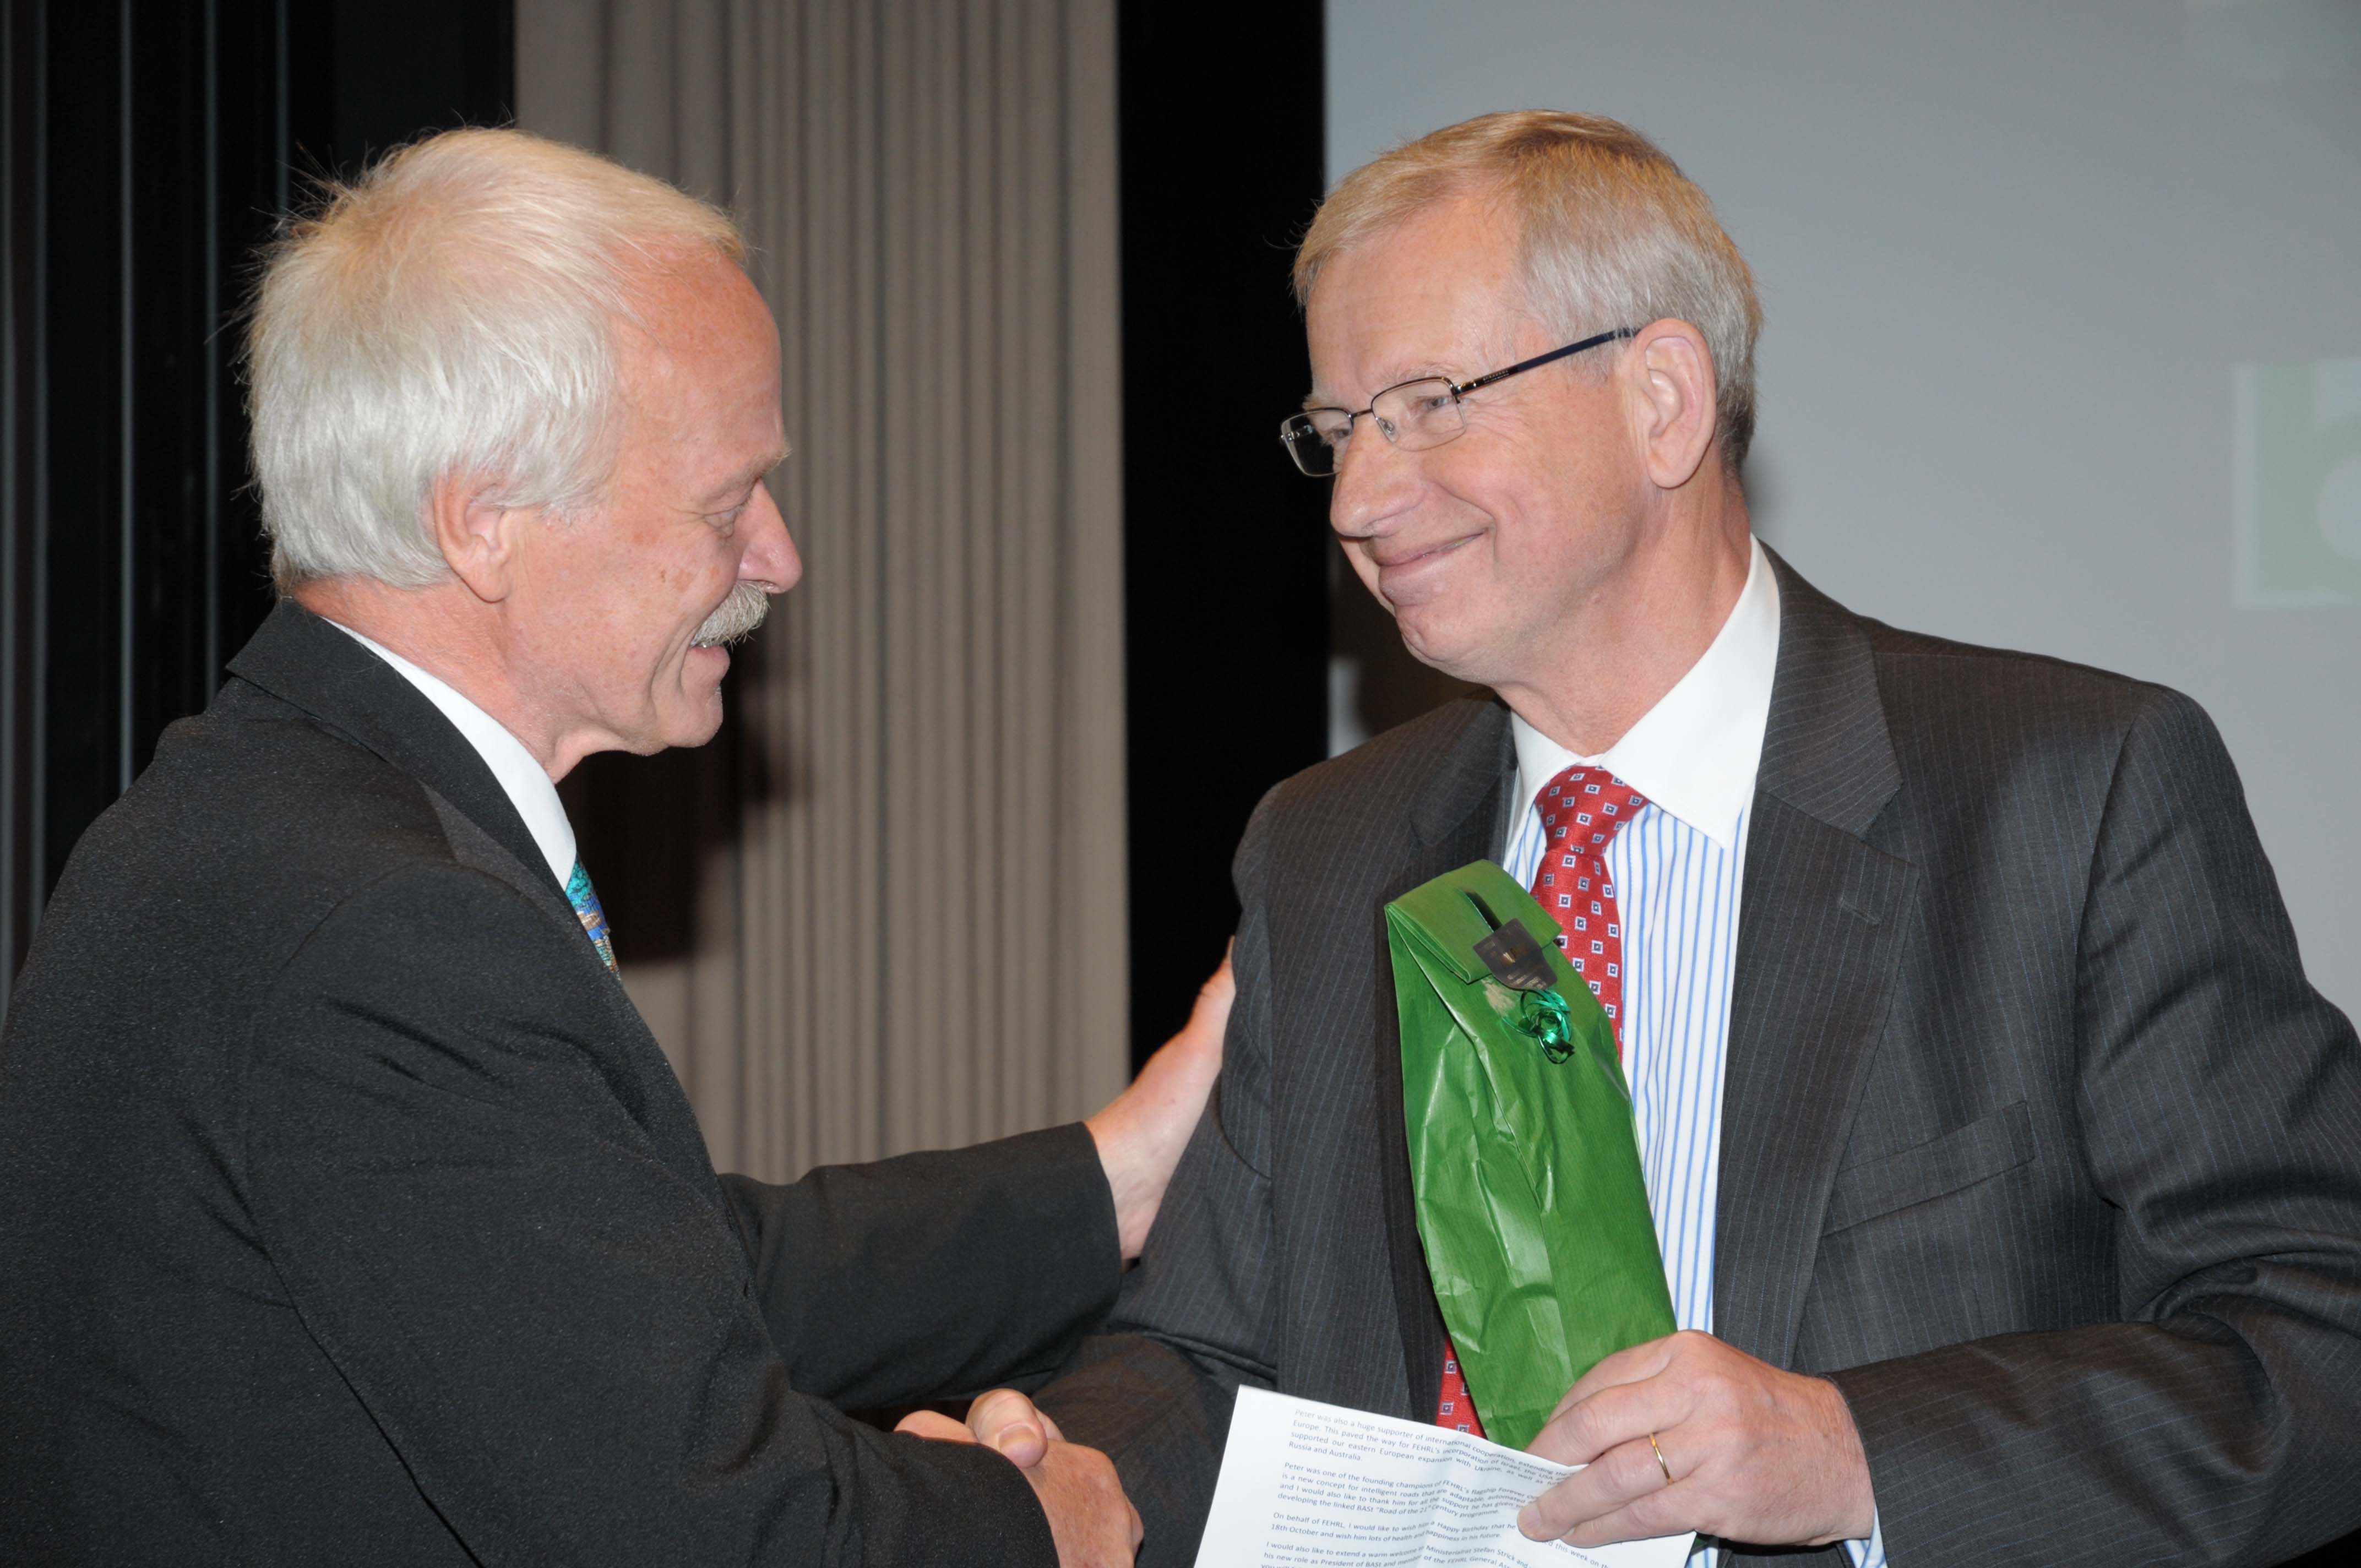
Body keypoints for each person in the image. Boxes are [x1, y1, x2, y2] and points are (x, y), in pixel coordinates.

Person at [1027, 111, 2361, 1566]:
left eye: (1425, 404)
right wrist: (1039, 1478)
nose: (1359, 501)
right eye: (1340, 431)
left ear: (1663, 399)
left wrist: (1859, 1457)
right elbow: (1208, 1351)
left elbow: (2320, 1332)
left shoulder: (2069, 791)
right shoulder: (1329, 847)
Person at [0, 128, 1227, 1568]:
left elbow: (642, 1280)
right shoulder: (380, 928)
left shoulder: (258, 820)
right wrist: (1038, 1525)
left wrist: (1114, 1177)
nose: (779, 556)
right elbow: (707, 1523)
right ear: (485, 523)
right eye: (725, 502)